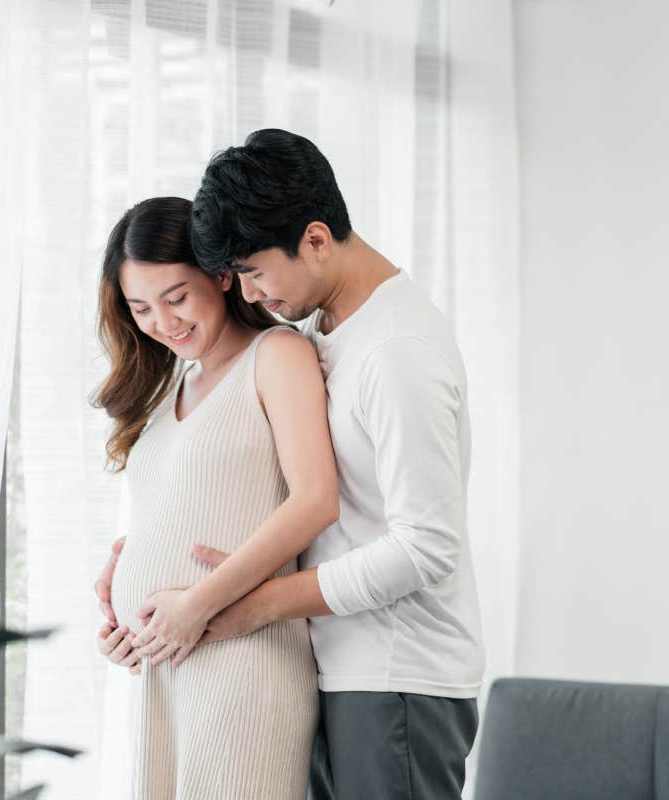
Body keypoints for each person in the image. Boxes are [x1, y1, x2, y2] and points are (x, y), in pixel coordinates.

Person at [97, 130, 485, 800]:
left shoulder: (395, 351)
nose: (245, 292)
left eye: (251, 271)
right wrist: (134, 562)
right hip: (336, 664)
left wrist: (249, 607)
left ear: (314, 239)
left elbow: (427, 547)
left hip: (395, 675)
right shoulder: (327, 331)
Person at [92, 195, 339, 800]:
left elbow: (314, 501)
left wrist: (196, 603)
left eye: (176, 297)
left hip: (243, 657)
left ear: (222, 275)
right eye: (141, 307)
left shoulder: (277, 356)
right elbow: (183, 503)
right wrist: (124, 586)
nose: (162, 321)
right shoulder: (178, 381)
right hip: (167, 663)